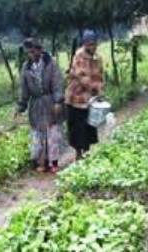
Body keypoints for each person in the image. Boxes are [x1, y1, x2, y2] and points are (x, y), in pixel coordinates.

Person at [15, 38, 65, 173]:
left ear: (40, 50)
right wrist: (20, 106)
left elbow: (57, 83)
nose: (32, 55)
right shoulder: (26, 67)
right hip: (36, 104)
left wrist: (58, 101)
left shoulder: (51, 63)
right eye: (29, 52)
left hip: (50, 102)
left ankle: (53, 162)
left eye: (34, 51)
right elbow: (24, 89)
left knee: (52, 133)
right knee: (38, 134)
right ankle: (41, 161)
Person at [65, 30, 104, 160]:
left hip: (90, 98)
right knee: (77, 127)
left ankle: (87, 151)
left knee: (89, 126)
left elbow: (100, 75)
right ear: (85, 44)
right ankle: (78, 153)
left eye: (94, 44)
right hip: (76, 97)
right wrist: (93, 87)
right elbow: (81, 75)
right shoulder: (79, 56)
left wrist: (99, 90)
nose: (92, 47)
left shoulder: (98, 58)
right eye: (90, 44)